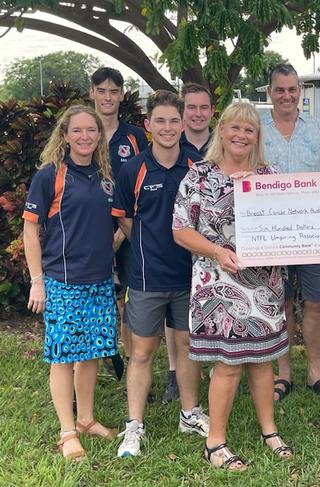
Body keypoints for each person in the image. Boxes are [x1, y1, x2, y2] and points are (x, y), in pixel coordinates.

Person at [172, 102, 292, 471]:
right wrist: (216, 251)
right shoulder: (200, 176)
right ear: (221, 130)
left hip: (264, 284)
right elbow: (180, 230)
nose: (241, 135)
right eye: (234, 128)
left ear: (257, 137)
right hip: (218, 283)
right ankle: (215, 443)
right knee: (229, 364)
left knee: (262, 362)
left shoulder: (269, 175)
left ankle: (269, 431)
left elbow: (290, 222)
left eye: (249, 130)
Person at [112, 90, 208, 458]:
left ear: (183, 125)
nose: (168, 128)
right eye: (160, 121)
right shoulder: (132, 168)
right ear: (148, 125)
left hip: (189, 275)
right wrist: (146, 242)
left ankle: (189, 413)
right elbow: (122, 213)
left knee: (186, 347)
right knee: (142, 351)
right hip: (147, 278)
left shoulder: (198, 165)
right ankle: (134, 426)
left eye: (174, 121)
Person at [23, 105, 119, 460]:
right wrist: (37, 281)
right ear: (64, 135)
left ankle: (87, 419)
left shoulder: (105, 175)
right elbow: (30, 230)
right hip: (62, 280)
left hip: (99, 280)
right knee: (63, 357)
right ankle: (67, 432)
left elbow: (113, 224)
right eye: (76, 130)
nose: (84, 136)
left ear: (99, 135)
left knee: (92, 352)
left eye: (90, 130)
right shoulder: (49, 176)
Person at [261, 63, 320, 401]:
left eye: (292, 89)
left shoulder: (318, 129)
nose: (286, 95)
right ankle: (283, 374)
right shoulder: (257, 130)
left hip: (313, 234)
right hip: (271, 234)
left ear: (300, 92)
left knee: (318, 302)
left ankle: (315, 372)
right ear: (270, 93)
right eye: (279, 89)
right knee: (279, 303)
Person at [160, 83, 216, 405]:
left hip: (213, 246)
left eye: (203, 108)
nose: (197, 114)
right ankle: (173, 373)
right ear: (182, 115)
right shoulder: (171, 142)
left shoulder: (221, 144)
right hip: (175, 243)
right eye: (190, 108)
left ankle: (214, 369)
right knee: (175, 318)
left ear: (211, 111)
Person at [89, 67, 148, 366]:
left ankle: (130, 358)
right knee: (94, 297)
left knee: (128, 300)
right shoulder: (83, 133)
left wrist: (122, 232)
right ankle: (93, 357)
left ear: (122, 95)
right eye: (102, 91)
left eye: (114, 91)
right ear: (92, 93)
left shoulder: (135, 136)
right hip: (89, 232)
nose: (108, 97)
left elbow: (144, 187)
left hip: (126, 229)